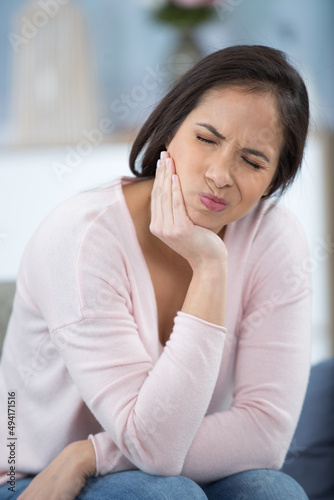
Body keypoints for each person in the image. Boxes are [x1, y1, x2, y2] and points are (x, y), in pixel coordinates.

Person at [0, 44, 311, 499]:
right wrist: (209, 267)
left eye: (253, 160)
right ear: (171, 131)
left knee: (273, 492)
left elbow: (266, 433)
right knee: (165, 494)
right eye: (206, 138)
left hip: (164, 463)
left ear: (274, 180)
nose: (220, 174)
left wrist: (91, 454)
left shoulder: (274, 239)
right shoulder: (82, 238)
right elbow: (156, 453)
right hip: (33, 476)